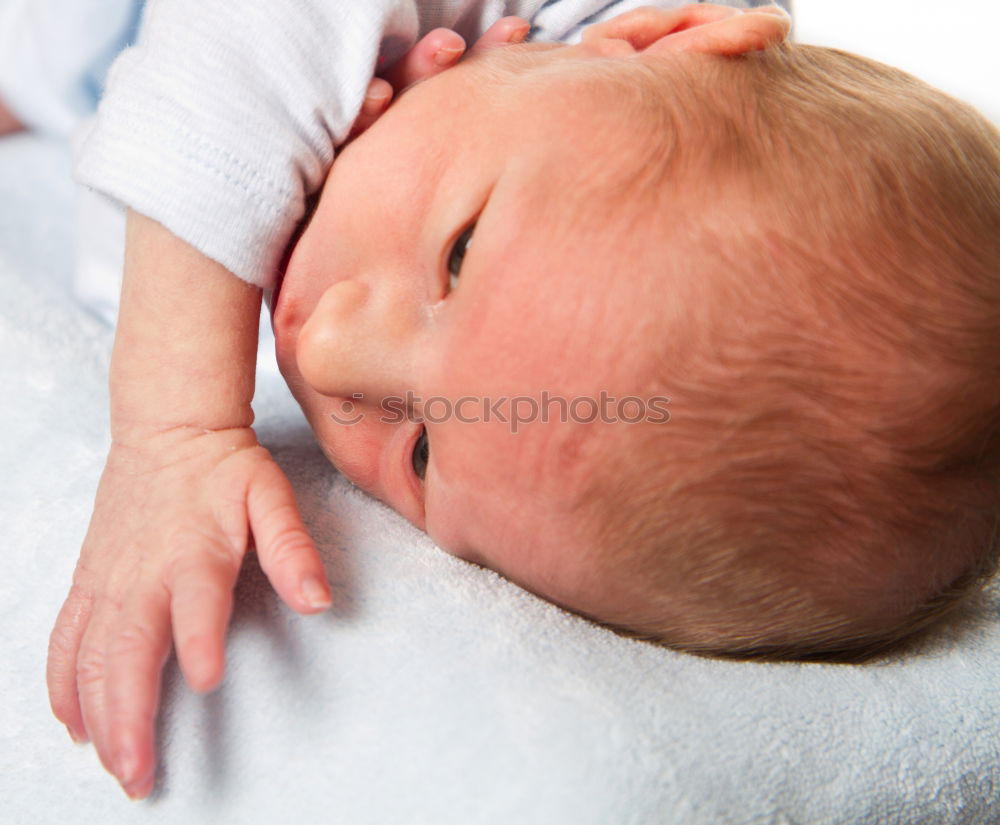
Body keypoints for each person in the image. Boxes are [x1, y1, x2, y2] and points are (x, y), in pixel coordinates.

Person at [7, 0, 998, 803]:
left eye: (426, 456)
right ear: (658, 40)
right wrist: (175, 428)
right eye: (459, 254)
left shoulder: (517, 143)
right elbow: (235, 51)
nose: (332, 350)